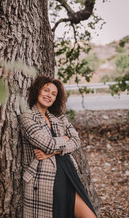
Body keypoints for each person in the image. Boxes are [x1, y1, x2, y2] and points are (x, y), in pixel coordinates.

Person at [20, 75, 97, 218]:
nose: (49, 95)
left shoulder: (59, 118)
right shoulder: (27, 117)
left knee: (90, 215)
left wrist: (51, 153)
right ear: (37, 91)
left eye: (53, 94)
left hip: (68, 172)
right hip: (44, 178)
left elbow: (76, 140)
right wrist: (64, 138)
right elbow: (47, 144)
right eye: (46, 90)